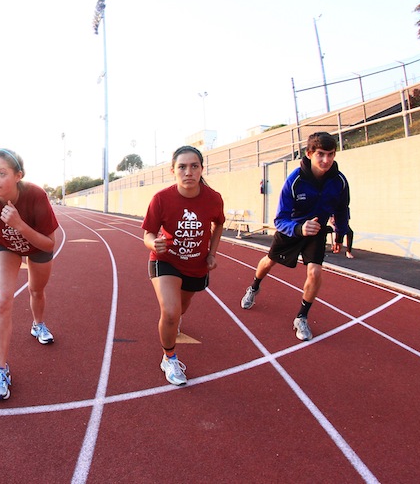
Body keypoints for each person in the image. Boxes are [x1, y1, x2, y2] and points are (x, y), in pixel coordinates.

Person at [240, 132, 351, 341]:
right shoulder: (294, 181)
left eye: (330, 154)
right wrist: (299, 228)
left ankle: (301, 317)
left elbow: (342, 209)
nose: (326, 160)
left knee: (315, 272)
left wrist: (340, 234)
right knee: (268, 262)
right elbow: (279, 220)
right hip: (291, 230)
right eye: (320, 154)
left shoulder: (340, 181)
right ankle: (254, 287)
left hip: (317, 232)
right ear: (309, 154)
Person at [0, 149, 59, 400]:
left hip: (37, 245)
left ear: (18, 175)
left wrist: (19, 224)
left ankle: (38, 324)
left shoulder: (36, 196)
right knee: (2, 301)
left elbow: (48, 244)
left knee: (36, 290)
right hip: (6, 248)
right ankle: (1, 370)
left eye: (1, 173)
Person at [142, 146, 225, 386]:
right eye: (182, 166)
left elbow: (219, 225)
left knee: (181, 308)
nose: (188, 171)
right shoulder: (161, 199)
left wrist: (212, 253)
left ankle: (175, 322)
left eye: (194, 166)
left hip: (196, 265)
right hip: (165, 260)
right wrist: (152, 244)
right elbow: (148, 233)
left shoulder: (213, 198)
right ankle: (169, 358)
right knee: (170, 311)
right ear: (173, 170)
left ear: (201, 169)